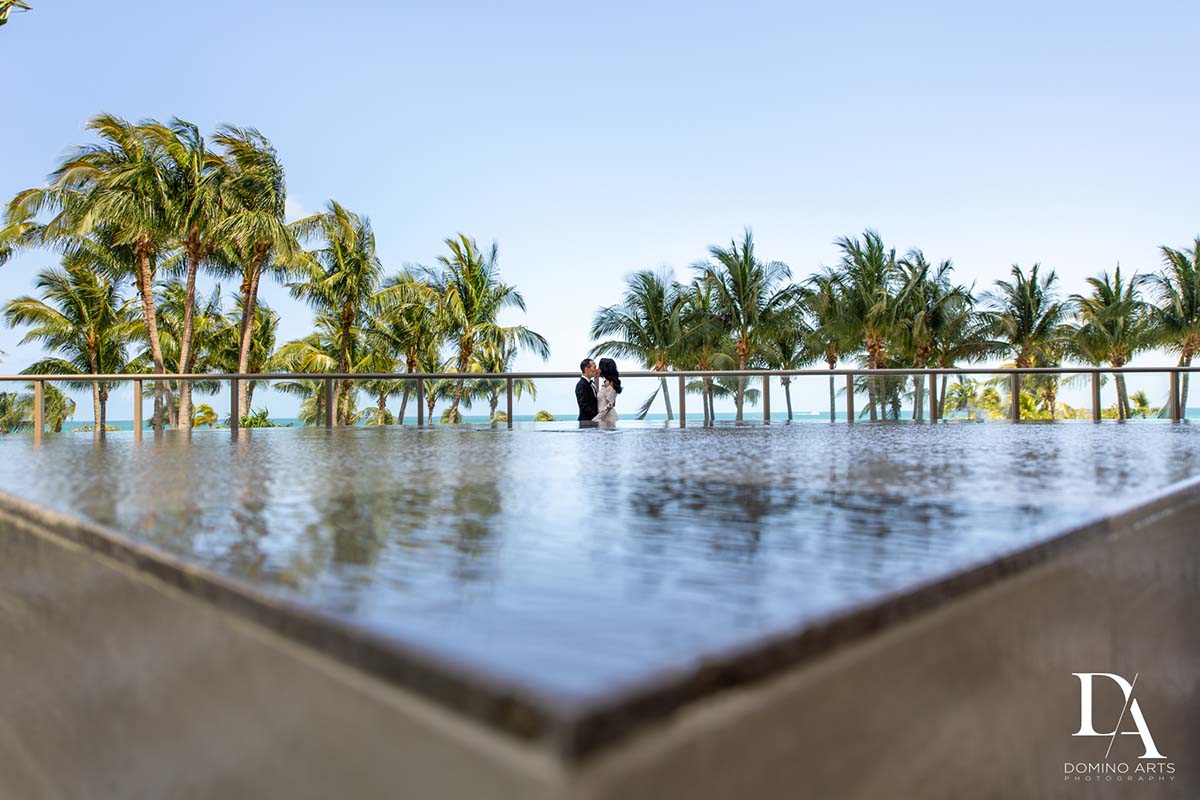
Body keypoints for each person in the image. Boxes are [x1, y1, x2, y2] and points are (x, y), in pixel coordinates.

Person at [593, 358, 622, 423]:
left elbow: (610, 405)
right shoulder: (609, 382)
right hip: (605, 418)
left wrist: (596, 418)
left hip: (607, 419)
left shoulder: (609, 383)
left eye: (599, 367)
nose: (598, 369)